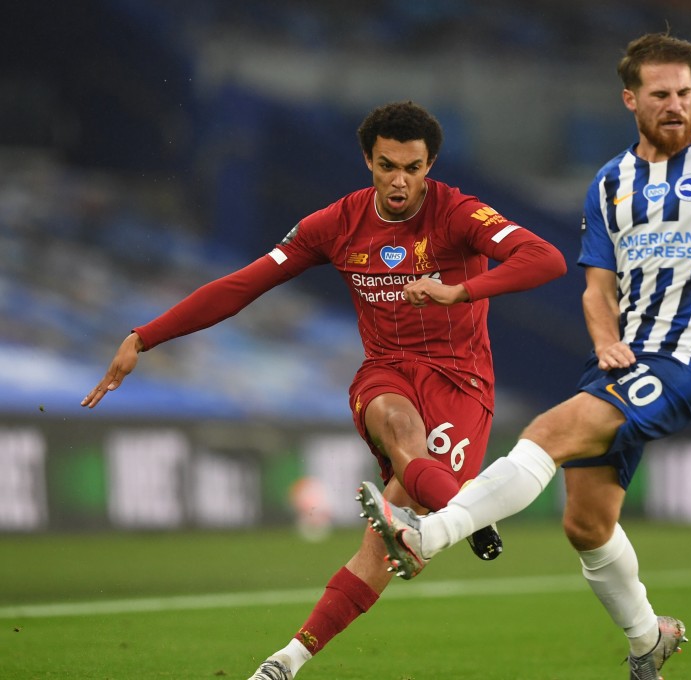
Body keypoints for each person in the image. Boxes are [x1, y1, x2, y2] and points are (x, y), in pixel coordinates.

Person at [358, 33, 691, 680]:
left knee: (547, 432)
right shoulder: (611, 184)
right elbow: (598, 286)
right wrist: (603, 339)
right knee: (586, 524)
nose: (676, 105)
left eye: (685, 93)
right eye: (661, 94)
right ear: (631, 99)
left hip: (681, 361)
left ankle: (430, 534)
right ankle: (650, 637)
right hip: (621, 361)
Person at [80, 101, 567, 680]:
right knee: (394, 423)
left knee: (381, 548)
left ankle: (313, 637)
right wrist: (144, 336)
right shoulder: (335, 224)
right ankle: (454, 512)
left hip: (460, 383)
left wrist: (458, 292)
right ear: (368, 160)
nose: (399, 181)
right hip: (387, 370)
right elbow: (243, 284)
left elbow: (547, 259)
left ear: (429, 164)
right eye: (387, 165)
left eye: (412, 167)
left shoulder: (458, 212)